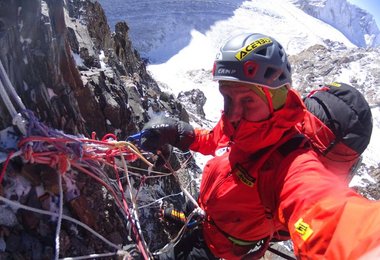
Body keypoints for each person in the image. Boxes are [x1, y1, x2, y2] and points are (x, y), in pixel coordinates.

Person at [139, 33, 380, 259]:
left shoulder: (292, 166)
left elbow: (329, 216)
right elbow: (216, 139)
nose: (232, 114)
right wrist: (182, 134)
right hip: (207, 215)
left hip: (218, 249)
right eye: (227, 97)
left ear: (275, 99)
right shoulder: (246, 122)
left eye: (247, 100)